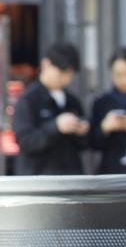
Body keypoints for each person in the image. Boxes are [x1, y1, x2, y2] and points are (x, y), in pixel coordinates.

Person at [12, 41, 88, 175]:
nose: (65, 79)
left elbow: (85, 145)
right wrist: (56, 127)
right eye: (61, 72)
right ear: (46, 64)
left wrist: (81, 131)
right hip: (40, 180)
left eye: (70, 74)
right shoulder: (28, 100)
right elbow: (26, 141)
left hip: (71, 177)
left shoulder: (72, 101)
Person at [90, 46, 126, 173]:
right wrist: (105, 128)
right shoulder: (102, 102)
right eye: (118, 74)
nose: (124, 80)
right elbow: (91, 143)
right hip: (111, 173)